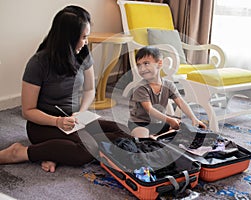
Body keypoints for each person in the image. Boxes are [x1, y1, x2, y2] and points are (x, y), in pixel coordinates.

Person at [0, 5, 128, 173]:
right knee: (83, 150)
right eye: (83, 37)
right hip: (43, 125)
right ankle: (20, 152)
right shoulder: (38, 63)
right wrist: (57, 121)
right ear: (68, 38)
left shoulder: (83, 55)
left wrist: (81, 112)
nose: (86, 42)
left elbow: (90, 90)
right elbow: (28, 110)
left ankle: (54, 152)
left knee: (123, 132)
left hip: (75, 120)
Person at [128, 46, 207, 138]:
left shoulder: (169, 85)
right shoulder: (140, 88)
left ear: (159, 63)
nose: (142, 69)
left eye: (146, 63)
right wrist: (170, 120)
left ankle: (158, 135)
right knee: (142, 136)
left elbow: (181, 102)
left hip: (160, 123)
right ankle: (153, 136)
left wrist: (194, 118)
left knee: (184, 127)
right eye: (139, 65)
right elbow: (149, 110)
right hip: (140, 123)